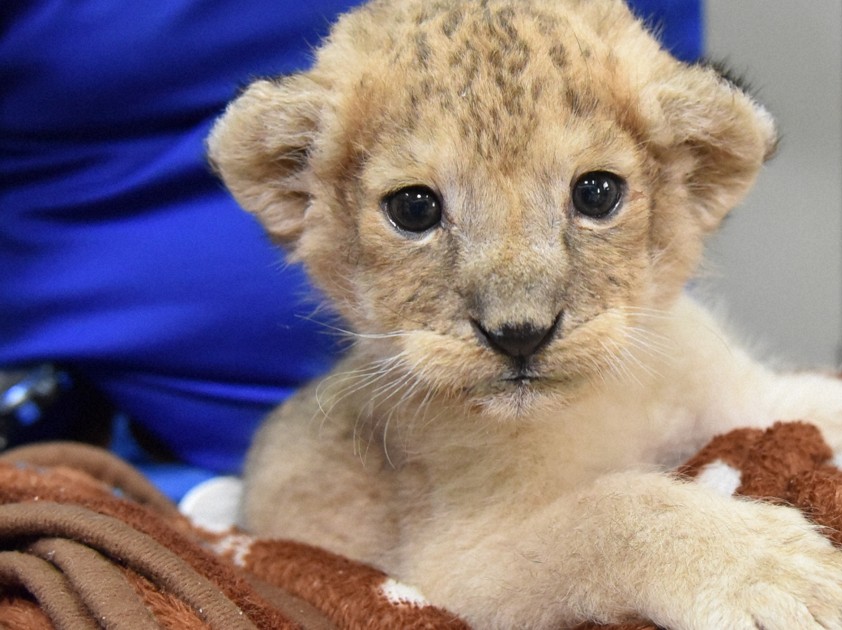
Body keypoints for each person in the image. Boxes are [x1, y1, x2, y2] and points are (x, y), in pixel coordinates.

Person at [0, 0, 702, 496]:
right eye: (414, 207)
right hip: (94, 439)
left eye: (597, 195)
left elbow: (669, 152)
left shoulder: (611, 64)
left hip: (610, 391)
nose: (518, 316)